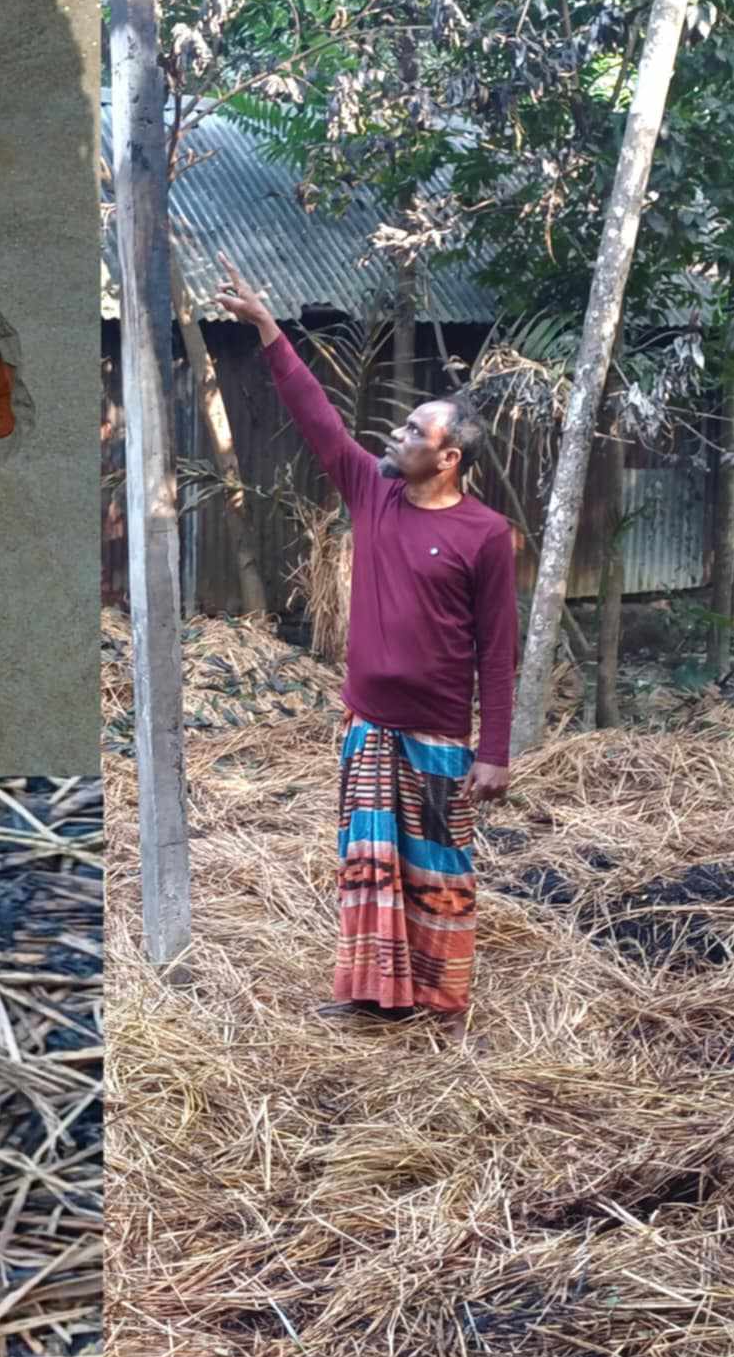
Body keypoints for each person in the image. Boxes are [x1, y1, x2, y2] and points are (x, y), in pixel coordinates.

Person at [213, 251, 518, 1033]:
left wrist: (496, 749)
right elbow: (316, 417)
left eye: (416, 429)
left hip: (441, 737)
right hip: (368, 728)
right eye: (404, 422)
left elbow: (497, 650)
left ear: (448, 458)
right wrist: (269, 332)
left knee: (437, 869)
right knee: (369, 869)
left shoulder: (485, 535)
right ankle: (369, 995)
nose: (398, 431)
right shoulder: (371, 491)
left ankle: (441, 1004)